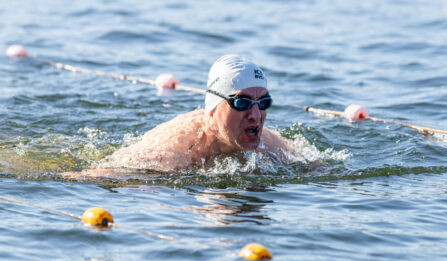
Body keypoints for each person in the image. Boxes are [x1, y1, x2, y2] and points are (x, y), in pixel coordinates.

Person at [68, 54, 293, 177]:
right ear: (213, 107)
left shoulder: (271, 145)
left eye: (264, 102)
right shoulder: (173, 151)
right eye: (242, 102)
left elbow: (321, 169)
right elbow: (93, 176)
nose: (255, 115)